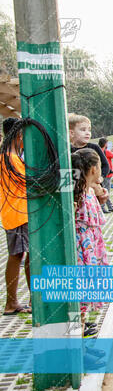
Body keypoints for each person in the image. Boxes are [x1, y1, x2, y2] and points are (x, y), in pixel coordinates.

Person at [71, 148, 108, 338]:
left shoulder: (88, 192)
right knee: (80, 300)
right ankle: (78, 345)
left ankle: (82, 340)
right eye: (100, 166)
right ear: (94, 169)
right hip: (82, 252)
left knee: (83, 302)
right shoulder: (77, 196)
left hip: (91, 249)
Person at [0, 118, 31, 315]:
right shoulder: (10, 159)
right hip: (19, 213)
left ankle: (13, 302)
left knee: (19, 255)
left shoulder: (8, 157)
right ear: (19, 136)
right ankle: (18, 301)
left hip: (14, 213)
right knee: (24, 256)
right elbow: (29, 182)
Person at [68, 114, 109, 205]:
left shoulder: (94, 147)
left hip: (94, 189)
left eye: (89, 130)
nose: (87, 133)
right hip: (77, 191)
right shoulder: (68, 150)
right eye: (83, 130)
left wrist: (100, 177)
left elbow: (106, 165)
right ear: (71, 133)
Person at [98, 138, 113, 214]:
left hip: (101, 174)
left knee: (104, 190)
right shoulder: (106, 152)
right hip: (107, 174)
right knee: (106, 191)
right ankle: (103, 207)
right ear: (105, 144)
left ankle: (109, 206)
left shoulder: (99, 152)